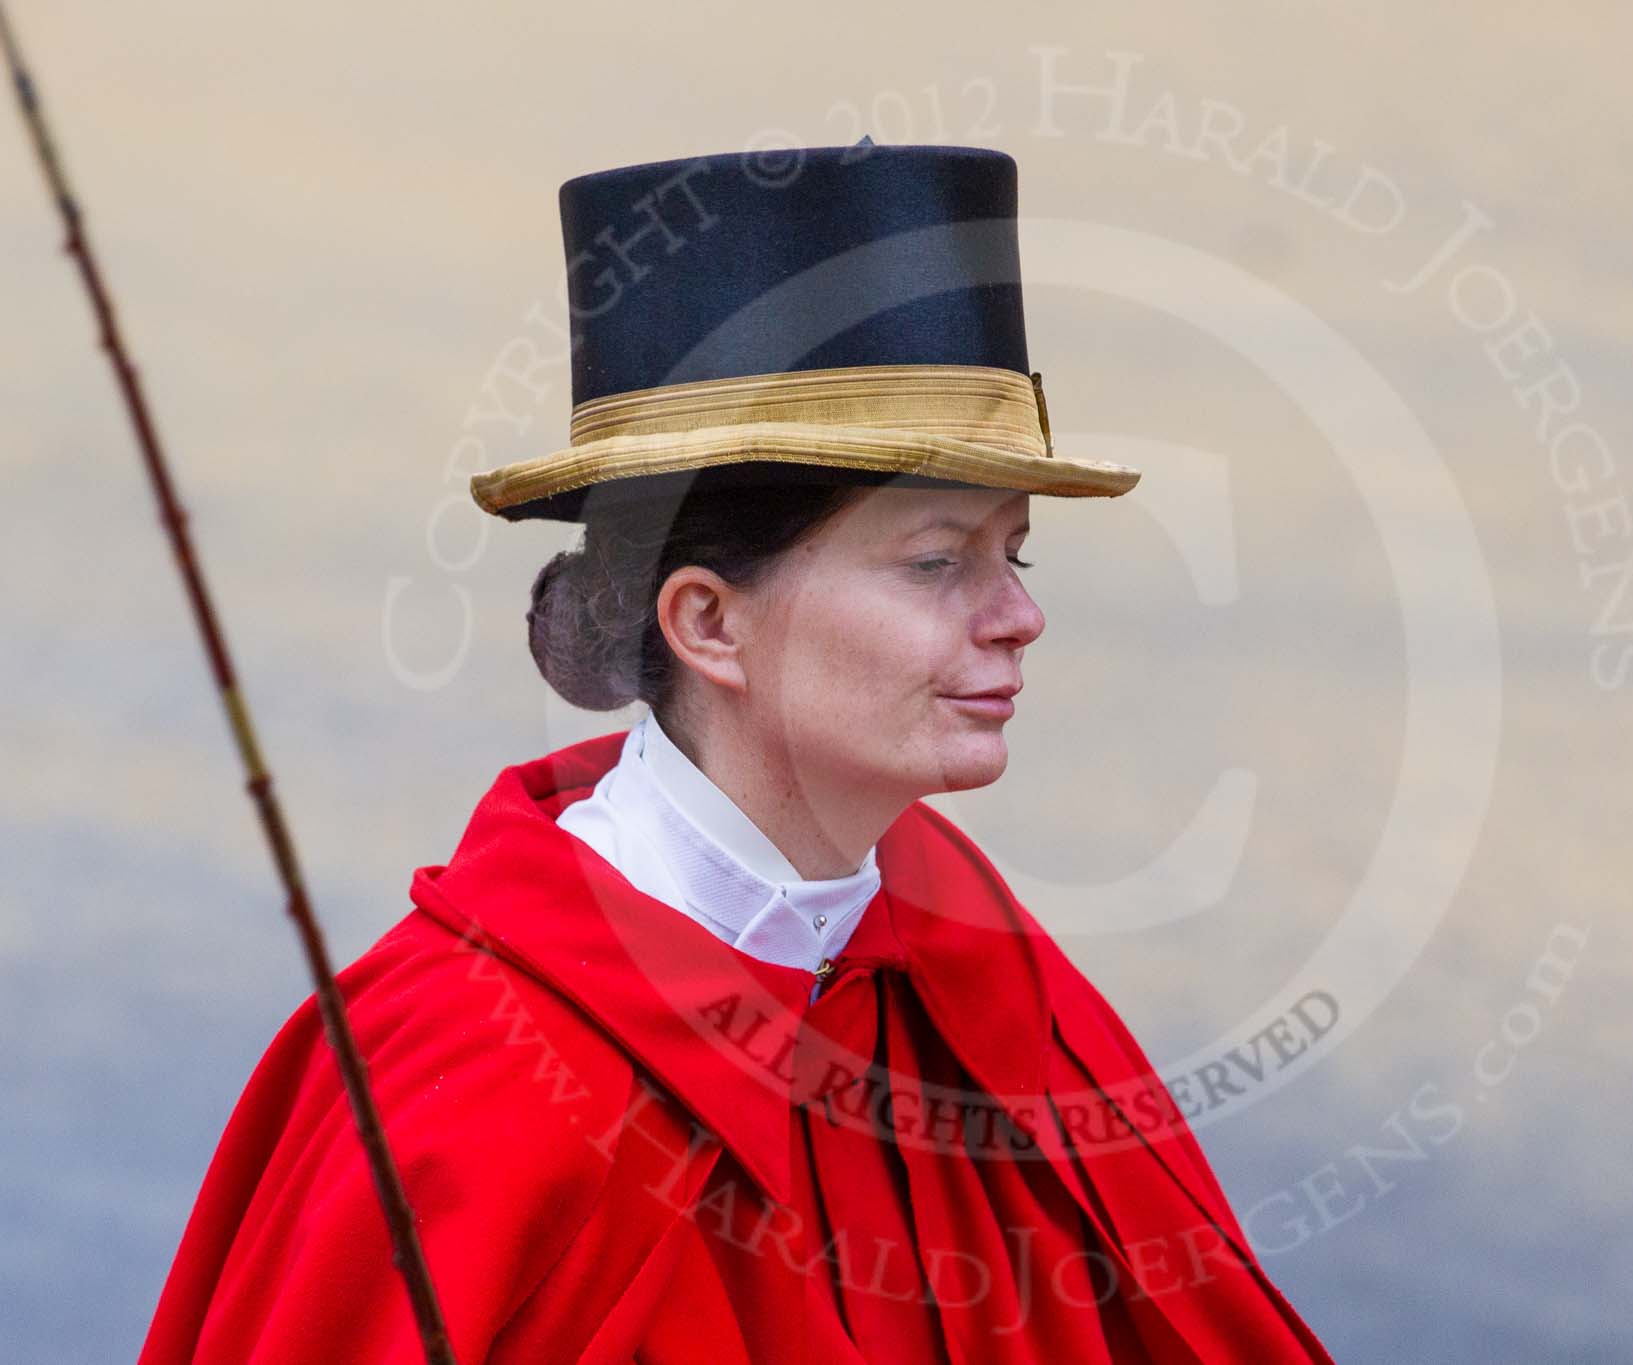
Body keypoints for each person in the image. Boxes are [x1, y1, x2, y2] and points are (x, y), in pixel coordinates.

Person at [139, 142, 1335, 1363]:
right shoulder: (460, 1079)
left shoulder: (988, 978)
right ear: (709, 622)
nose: (1017, 615)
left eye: (1013, 552)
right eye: (935, 561)